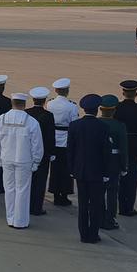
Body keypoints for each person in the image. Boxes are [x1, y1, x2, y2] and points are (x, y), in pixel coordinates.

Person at [0, 92, 43, 229]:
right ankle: (20, 221)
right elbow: (37, 144)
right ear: (24, 104)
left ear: (12, 103)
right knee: (22, 190)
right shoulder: (32, 122)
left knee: (9, 189)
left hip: (6, 158)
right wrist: (36, 161)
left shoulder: (1, 119)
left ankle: (10, 218)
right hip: (24, 159)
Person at [68, 94, 110, 244]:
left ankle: (83, 235)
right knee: (96, 205)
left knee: (83, 205)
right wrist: (106, 173)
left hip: (80, 171)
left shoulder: (74, 125)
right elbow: (106, 152)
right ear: (97, 109)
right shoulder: (103, 127)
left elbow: (70, 150)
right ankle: (93, 234)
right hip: (97, 172)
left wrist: (72, 169)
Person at [114, 80, 137, 216]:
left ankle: (117, 204)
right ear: (135, 93)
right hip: (135, 147)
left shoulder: (116, 108)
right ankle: (128, 207)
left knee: (118, 178)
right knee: (132, 179)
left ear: (123, 93)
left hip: (119, 146)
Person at [47, 78, 79, 206]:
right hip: (66, 139)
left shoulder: (49, 104)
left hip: (53, 138)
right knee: (66, 169)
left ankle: (55, 194)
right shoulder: (71, 106)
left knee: (55, 169)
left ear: (56, 90)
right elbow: (74, 124)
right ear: (67, 91)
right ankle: (64, 195)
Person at [99, 94, 128, 230]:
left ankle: (97, 216)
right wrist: (124, 165)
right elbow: (123, 148)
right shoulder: (119, 126)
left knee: (98, 191)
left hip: (97, 161)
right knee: (111, 192)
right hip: (113, 161)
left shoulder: (97, 123)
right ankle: (110, 219)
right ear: (114, 110)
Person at [25, 86, 55, 216]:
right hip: (43, 152)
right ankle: (36, 207)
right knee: (40, 181)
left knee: (26, 180)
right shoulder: (48, 115)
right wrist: (51, 152)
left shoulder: (26, 113)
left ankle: (25, 204)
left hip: (27, 150)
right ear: (44, 101)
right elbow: (50, 136)